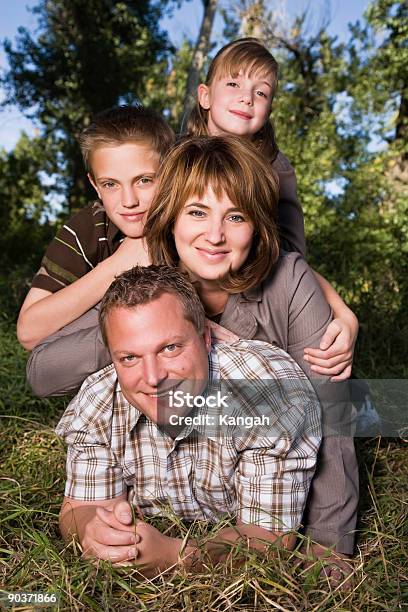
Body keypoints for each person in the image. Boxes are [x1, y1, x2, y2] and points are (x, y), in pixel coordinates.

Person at [45, 135, 358, 579]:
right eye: (196, 212)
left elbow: (330, 413)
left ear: (257, 226)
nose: (215, 235)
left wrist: (330, 549)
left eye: (235, 216)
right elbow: (42, 373)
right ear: (170, 217)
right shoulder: (144, 282)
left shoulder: (287, 282)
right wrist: (141, 337)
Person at [57, 265, 321, 576]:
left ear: (206, 337)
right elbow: (79, 508)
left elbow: (268, 538)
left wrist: (175, 556)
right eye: (129, 357)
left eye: (170, 348)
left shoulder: (266, 393)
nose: (153, 378)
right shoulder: (98, 400)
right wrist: (95, 531)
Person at [185, 37, 358, 382]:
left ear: (268, 111)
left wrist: (344, 313)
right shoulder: (178, 158)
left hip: (252, 299)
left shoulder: (275, 169)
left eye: (261, 92)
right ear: (205, 95)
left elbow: (290, 261)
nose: (246, 97)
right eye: (233, 83)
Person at [17, 105, 175, 352]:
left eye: (144, 180)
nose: (129, 201)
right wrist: (119, 264)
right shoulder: (88, 226)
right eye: (111, 184)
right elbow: (28, 332)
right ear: (95, 184)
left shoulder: (191, 220)